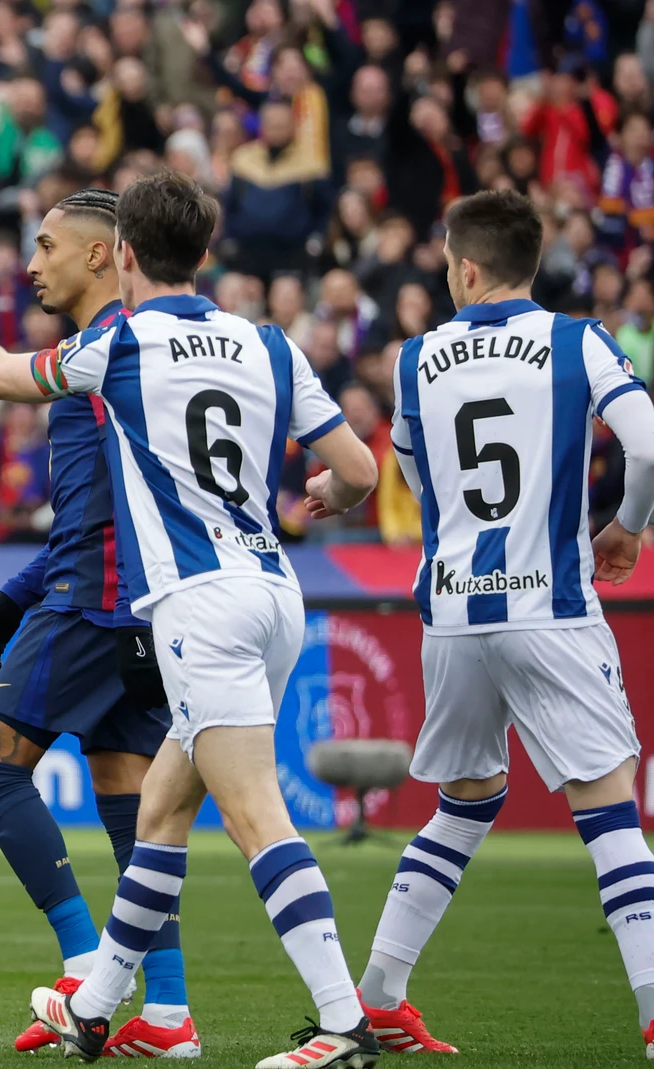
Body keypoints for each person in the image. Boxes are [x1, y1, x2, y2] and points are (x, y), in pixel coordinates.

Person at [0, 170, 385, 1069]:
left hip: (197, 604)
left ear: (124, 255)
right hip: (275, 591)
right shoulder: (269, 343)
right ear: (207, 253)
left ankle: (345, 1022)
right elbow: (359, 472)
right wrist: (329, 491)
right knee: (162, 810)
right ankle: (117, 1007)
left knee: (257, 815)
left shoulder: (118, 345)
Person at [358, 189, 654, 1058]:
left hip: (451, 613)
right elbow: (645, 445)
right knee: (608, 807)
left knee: (467, 798)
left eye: (449, 263)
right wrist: (628, 525)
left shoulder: (414, 358)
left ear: (469, 267)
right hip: (549, 603)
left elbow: (411, 467)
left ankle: (378, 995)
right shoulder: (577, 341)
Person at [0, 188, 197, 1058]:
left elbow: (90, 522)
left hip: (90, 604)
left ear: (102, 255)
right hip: (141, 607)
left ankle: (82, 961)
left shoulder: (103, 358)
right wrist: (13, 597)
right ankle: (167, 1013)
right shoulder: (149, 355)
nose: (32, 263)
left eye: (47, 245)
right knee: (136, 811)